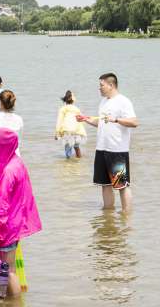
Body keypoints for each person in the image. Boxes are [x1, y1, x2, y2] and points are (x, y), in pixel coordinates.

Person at [0, 127, 43, 298]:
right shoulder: (16, 162)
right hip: (16, 221)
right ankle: (6, 302)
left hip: (7, 226)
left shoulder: (8, 171)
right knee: (8, 268)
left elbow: (1, 207)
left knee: (8, 269)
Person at [81, 72, 138, 210]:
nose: (99, 88)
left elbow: (134, 122)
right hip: (101, 149)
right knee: (104, 184)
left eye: (101, 85)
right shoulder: (103, 101)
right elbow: (101, 122)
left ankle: (126, 215)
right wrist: (86, 119)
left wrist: (116, 120)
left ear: (111, 85)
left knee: (122, 186)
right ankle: (108, 215)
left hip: (117, 150)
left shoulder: (123, 101)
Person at [0, 89, 24, 179]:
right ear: (13, 103)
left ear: (0, 103)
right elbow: (19, 141)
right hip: (14, 159)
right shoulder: (19, 119)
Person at [55, 90, 87, 159]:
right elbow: (81, 119)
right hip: (76, 131)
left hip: (67, 131)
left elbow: (59, 121)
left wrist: (57, 133)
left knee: (68, 148)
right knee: (76, 147)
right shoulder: (76, 108)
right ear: (72, 99)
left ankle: (68, 163)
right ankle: (79, 160)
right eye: (74, 96)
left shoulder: (63, 109)